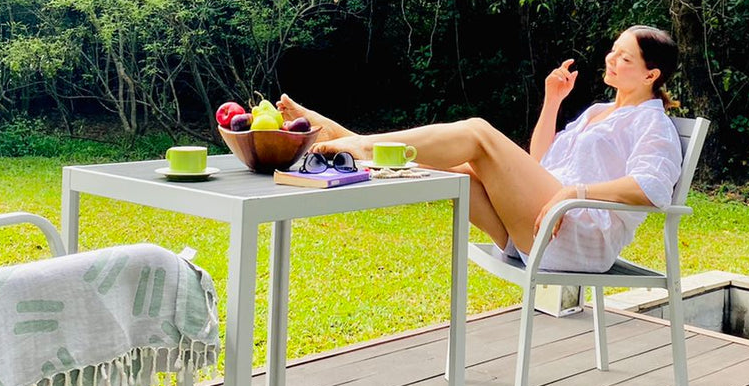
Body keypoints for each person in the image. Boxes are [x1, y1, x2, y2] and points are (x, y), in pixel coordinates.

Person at [277, 25, 683, 273]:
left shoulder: (651, 122)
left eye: (624, 57)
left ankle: (352, 142)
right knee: (449, 177)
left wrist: (572, 194)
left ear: (651, 73)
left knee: (478, 133)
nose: (611, 59)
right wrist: (552, 100)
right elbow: (540, 162)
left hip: (574, 233)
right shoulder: (598, 111)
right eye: (613, 50)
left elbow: (652, 188)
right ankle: (351, 142)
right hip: (543, 218)